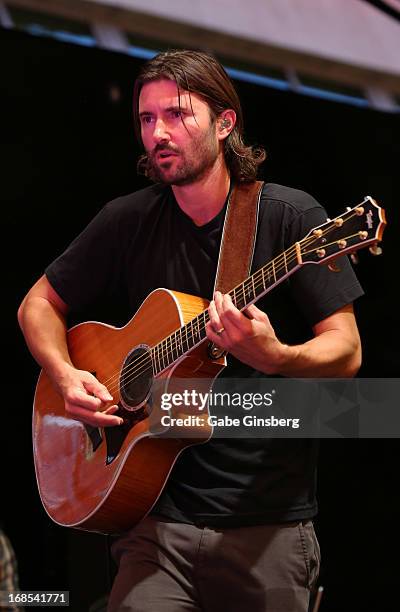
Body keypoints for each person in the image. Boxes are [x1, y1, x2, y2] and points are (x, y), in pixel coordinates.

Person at [18, 49, 363, 612]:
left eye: (177, 115)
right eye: (147, 119)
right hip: (153, 523)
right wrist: (65, 373)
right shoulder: (127, 219)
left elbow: (346, 352)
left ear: (226, 123)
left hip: (266, 529)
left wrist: (277, 356)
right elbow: (38, 303)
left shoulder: (291, 218)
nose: (159, 132)